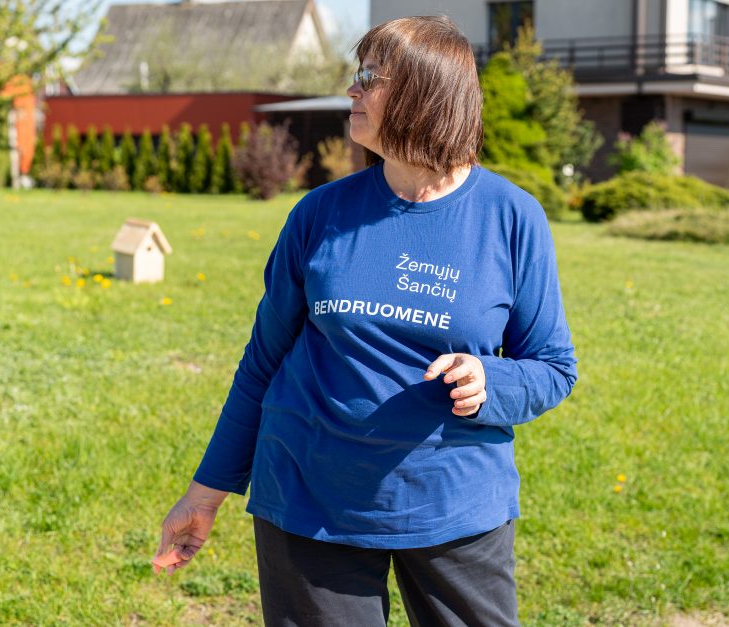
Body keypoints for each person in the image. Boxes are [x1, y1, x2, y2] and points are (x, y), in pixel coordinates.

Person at [153, 15, 577, 626]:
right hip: (309, 499)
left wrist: (492, 382)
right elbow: (263, 363)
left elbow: (554, 368)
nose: (352, 90)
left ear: (425, 95)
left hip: (453, 505)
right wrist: (204, 493)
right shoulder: (319, 214)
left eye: (369, 78)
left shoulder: (511, 217)